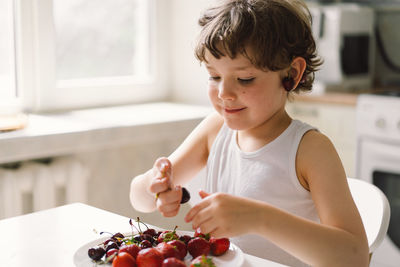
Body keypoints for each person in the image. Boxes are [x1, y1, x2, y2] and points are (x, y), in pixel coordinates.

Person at [129, 0, 369, 266]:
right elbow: (139, 199)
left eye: (244, 79)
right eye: (214, 76)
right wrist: (155, 185)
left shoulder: (310, 150)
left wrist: (259, 218)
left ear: (292, 73)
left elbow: (355, 258)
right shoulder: (215, 129)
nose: (224, 94)